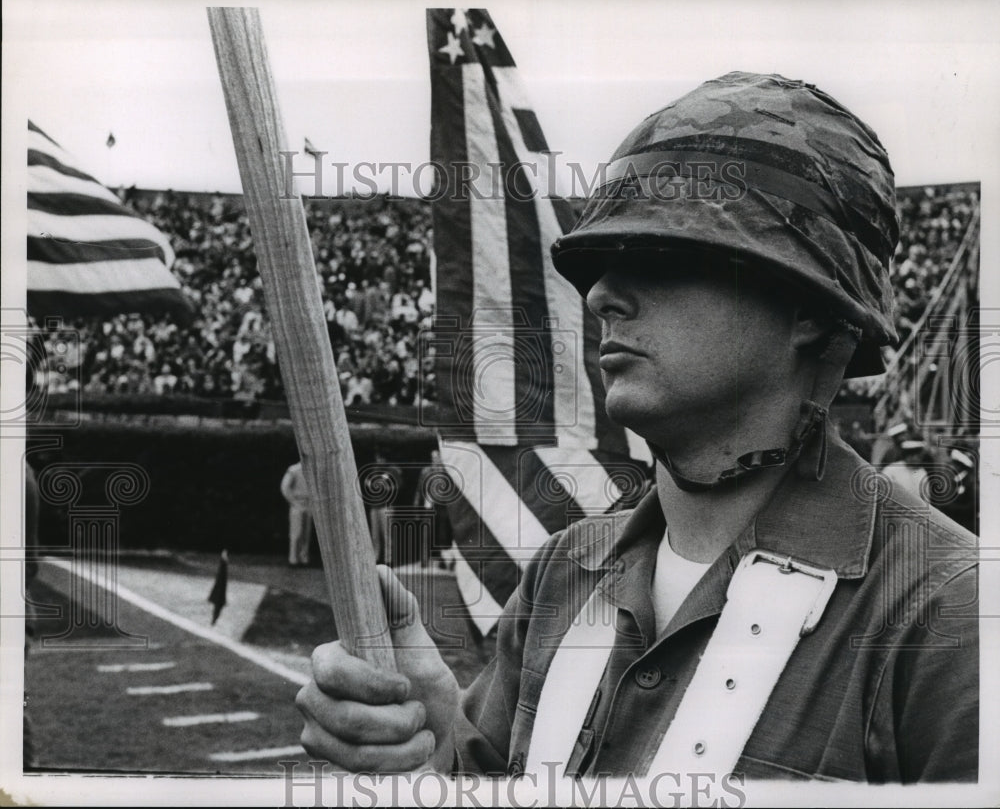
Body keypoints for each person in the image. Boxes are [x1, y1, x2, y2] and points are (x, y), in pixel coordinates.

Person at [296, 72, 978, 783]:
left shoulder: (947, 615)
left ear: (809, 306)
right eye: (603, 263)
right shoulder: (563, 572)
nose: (600, 296)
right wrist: (436, 747)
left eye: (662, 254)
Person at [280, 461, 313, 567]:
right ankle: (293, 559)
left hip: (309, 503)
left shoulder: (312, 469)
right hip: (297, 503)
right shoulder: (293, 469)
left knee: (306, 533)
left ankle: (304, 558)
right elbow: (284, 487)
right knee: (296, 532)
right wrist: (293, 501)